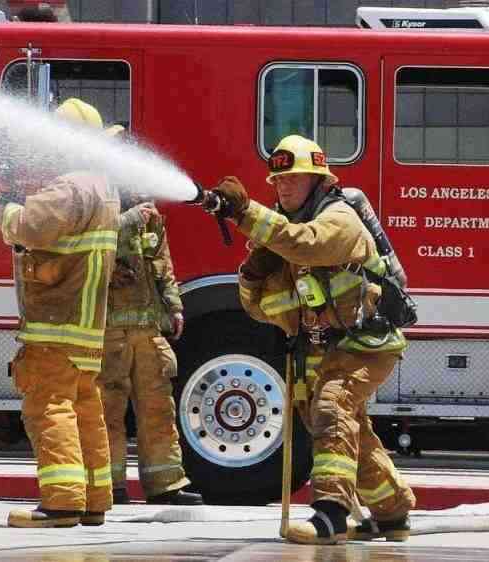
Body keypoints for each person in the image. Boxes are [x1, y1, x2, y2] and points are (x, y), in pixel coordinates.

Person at [210, 134, 415, 545]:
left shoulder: (339, 220)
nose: (283, 185)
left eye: (293, 178)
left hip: (367, 343)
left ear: (318, 180)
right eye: (278, 179)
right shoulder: (292, 235)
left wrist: (246, 212)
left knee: (333, 403)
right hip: (324, 346)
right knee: (342, 426)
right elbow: (266, 309)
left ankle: (330, 515)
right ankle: (392, 512)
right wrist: (253, 275)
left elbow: (305, 246)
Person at [0, 98, 119, 528]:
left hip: (56, 326)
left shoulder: (71, 186)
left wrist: (5, 209)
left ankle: (62, 503)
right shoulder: (104, 186)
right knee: (85, 408)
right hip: (87, 331)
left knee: (49, 407)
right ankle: (94, 498)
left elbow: (30, 225)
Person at [96, 126, 200, 506]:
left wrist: (173, 305)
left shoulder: (145, 204)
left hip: (147, 326)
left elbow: (161, 259)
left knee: (158, 407)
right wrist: (127, 221)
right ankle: (110, 485)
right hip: (109, 325)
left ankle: (166, 483)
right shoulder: (97, 198)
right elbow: (89, 241)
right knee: (107, 406)